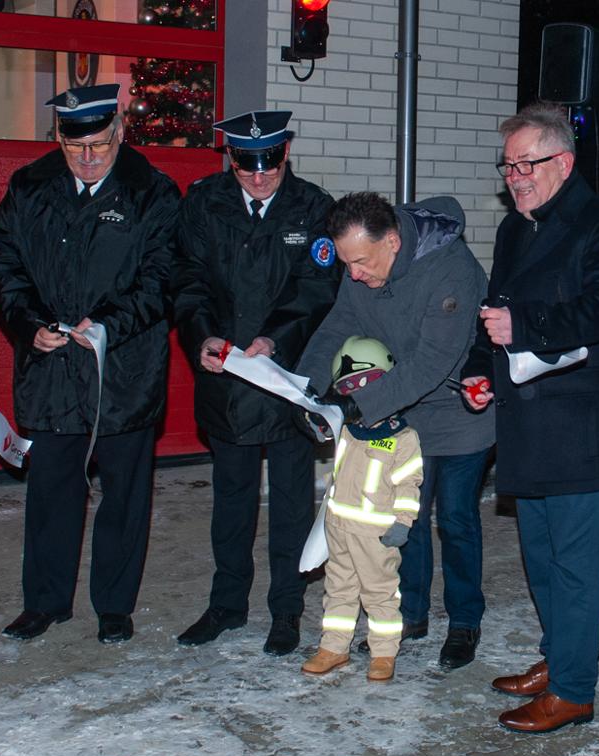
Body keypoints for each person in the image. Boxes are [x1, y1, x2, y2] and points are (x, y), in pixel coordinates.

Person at [461, 101, 599, 734]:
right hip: (527, 423)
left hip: (580, 428)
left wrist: (528, 328)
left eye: (526, 163)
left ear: (563, 162)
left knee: (576, 568)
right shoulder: (516, 228)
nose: (514, 176)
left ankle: (573, 690)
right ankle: (556, 657)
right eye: (507, 165)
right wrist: (481, 368)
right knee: (540, 558)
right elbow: (496, 312)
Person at [0, 84, 179, 645]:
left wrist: (109, 324)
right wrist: (26, 323)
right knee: (51, 492)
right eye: (75, 146)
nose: (88, 156)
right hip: (50, 369)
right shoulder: (29, 187)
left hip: (123, 373)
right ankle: (45, 603)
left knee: (124, 495)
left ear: (119, 130)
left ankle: (114, 606)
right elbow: (0, 262)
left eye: (98, 143)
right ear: (58, 139)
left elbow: (163, 276)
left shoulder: (152, 193)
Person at [296, 191, 493, 670]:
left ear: (394, 241)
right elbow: (338, 322)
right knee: (404, 520)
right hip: (402, 412)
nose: (355, 274)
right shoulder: (362, 262)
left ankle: (465, 620)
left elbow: (431, 362)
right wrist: (306, 387)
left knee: (456, 518)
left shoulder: (452, 268)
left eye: (361, 262)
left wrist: (358, 405)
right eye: (347, 264)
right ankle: (412, 614)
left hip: (458, 409)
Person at [170, 110, 339, 656]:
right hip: (226, 378)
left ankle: (286, 609)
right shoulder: (203, 203)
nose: (259, 176)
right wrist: (202, 336)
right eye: (247, 165)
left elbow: (317, 287)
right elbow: (187, 280)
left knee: (291, 501)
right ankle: (226, 605)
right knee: (232, 499)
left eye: (269, 164)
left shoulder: (313, 207)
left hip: (285, 378)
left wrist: (274, 340)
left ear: (285, 154)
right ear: (230, 158)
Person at [298, 337, 423, 683]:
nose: (358, 394)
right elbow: (326, 439)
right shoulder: (349, 430)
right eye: (348, 388)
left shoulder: (402, 438)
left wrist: (402, 522)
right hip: (339, 527)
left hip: (375, 535)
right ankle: (334, 646)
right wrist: (317, 421)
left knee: (380, 594)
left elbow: (409, 485)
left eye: (366, 385)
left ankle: (384, 653)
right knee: (338, 589)